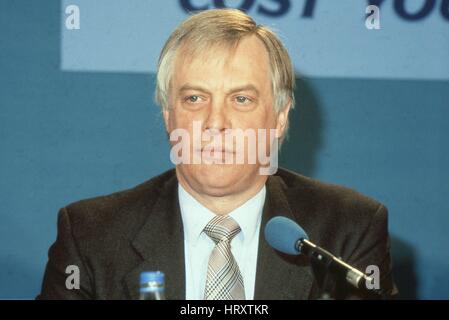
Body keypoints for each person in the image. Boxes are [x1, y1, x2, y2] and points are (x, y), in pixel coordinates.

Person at [37, 8, 397, 300]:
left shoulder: (348, 229)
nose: (215, 122)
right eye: (195, 98)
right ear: (168, 115)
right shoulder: (90, 236)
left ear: (280, 118)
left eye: (241, 99)